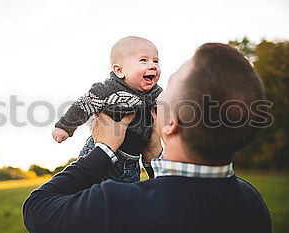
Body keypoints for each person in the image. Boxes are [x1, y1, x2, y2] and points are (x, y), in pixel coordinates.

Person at [23, 43, 272, 233]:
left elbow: (37, 208)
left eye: (170, 85)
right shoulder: (252, 202)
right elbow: (171, 194)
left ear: (171, 122)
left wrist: (103, 150)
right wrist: (154, 157)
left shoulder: (114, 203)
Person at [52, 36, 162, 182]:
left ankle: (157, 177)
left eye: (156, 61)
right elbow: (84, 104)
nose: (153, 65)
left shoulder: (156, 93)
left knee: (125, 197)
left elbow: (171, 109)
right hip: (99, 151)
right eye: (143, 60)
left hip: (132, 161)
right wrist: (65, 127)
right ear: (119, 70)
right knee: (91, 192)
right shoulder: (108, 89)